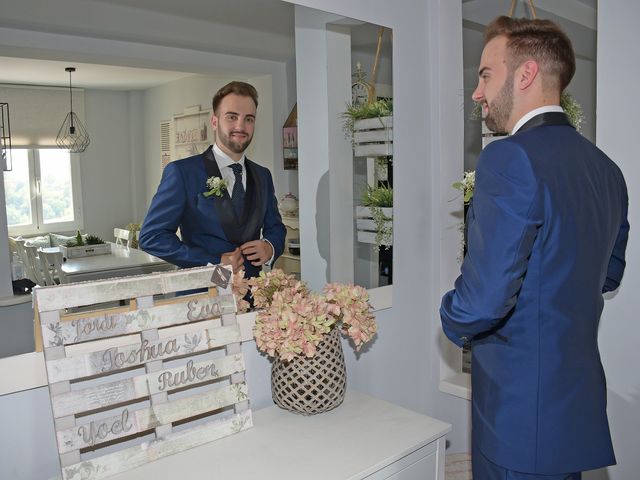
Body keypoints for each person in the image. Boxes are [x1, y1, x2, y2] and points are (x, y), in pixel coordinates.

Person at [440, 16, 629, 479]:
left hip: (519, 417)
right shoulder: (607, 170)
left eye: (485, 74)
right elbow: (608, 274)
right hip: (573, 410)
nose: (476, 93)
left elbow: (481, 302)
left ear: (525, 74)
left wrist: (448, 311)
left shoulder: (507, 157)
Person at [139, 81, 286, 279]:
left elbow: (275, 227)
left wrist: (270, 247)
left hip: (253, 295)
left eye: (249, 119)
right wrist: (213, 261)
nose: (240, 126)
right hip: (201, 295)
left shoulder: (263, 175)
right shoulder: (182, 172)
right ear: (214, 121)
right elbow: (152, 237)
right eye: (232, 117)